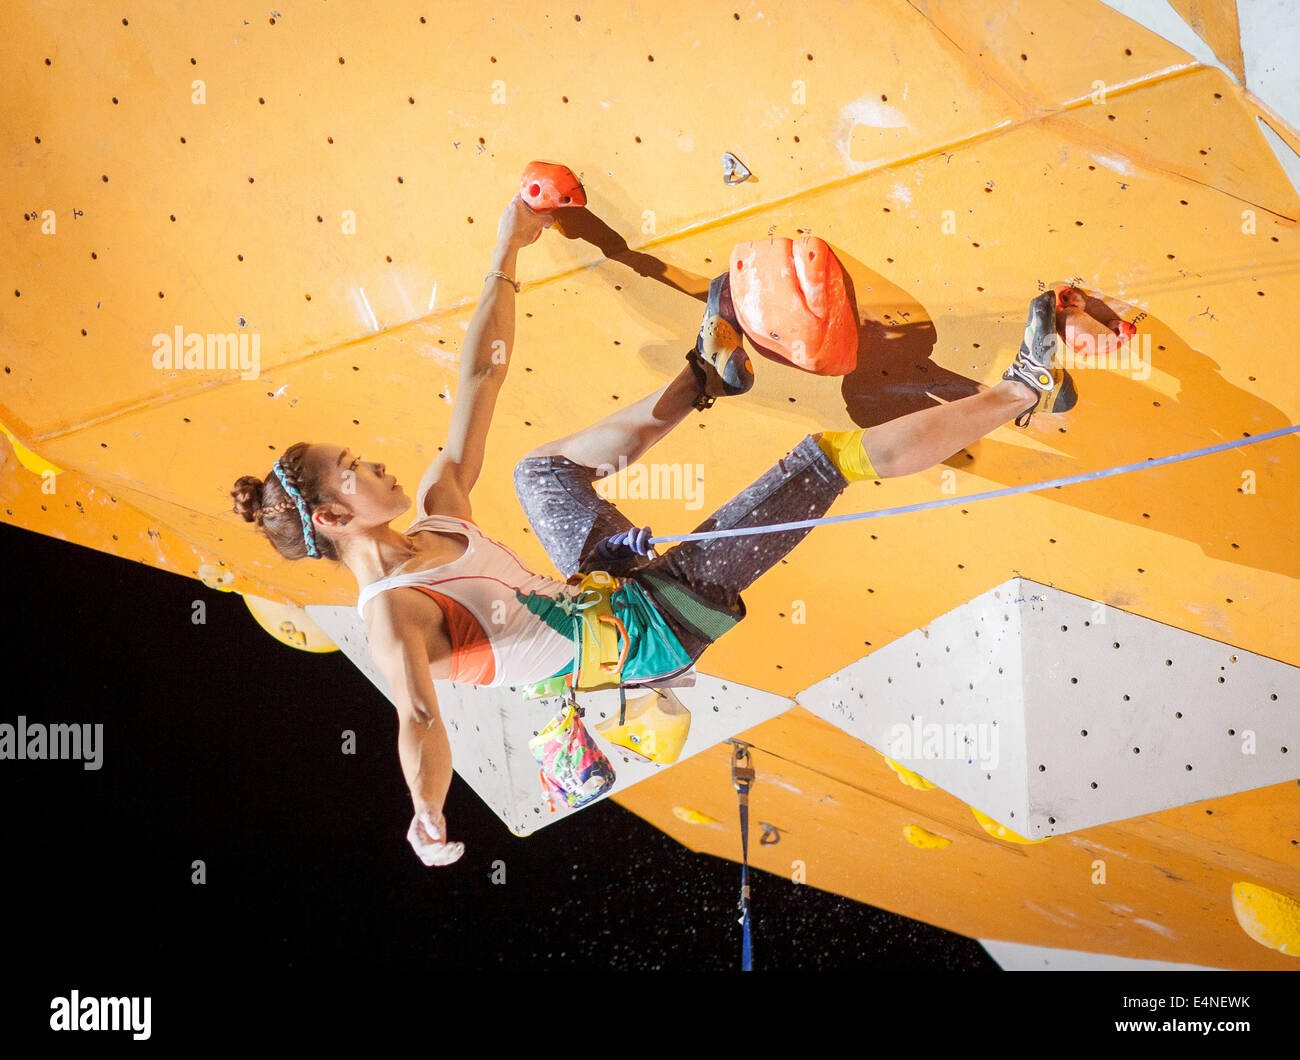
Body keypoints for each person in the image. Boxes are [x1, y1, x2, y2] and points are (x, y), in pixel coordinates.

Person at [231, 192, 1076, 867]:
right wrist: (425, 813)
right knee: (821, 462)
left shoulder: (435, 507)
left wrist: (507, 250)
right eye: (355, 471)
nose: (376, 466)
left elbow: (476, 381)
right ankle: (1025, 388)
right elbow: (417, 718)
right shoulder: (392, 613)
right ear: (337, 519)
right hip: (646, 633)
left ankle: (705, 376)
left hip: (598, 593)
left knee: (539, 474)